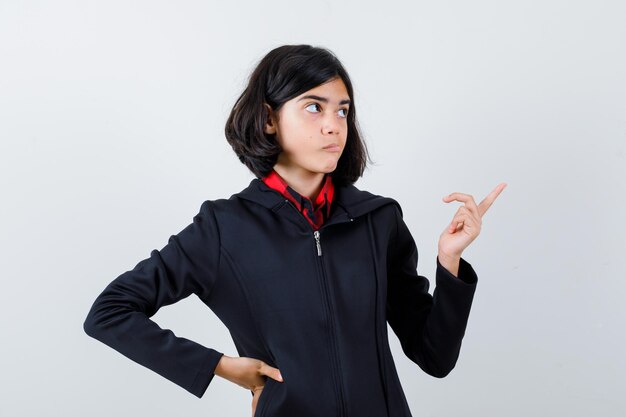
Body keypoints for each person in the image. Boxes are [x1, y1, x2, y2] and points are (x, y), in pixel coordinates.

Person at [83, 44, 506, 417]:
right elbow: (109, 312)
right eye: (313, 107)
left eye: (342, 109)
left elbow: (435, 356)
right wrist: (219, 366)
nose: (334, 124)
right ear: (269, 119)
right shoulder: (224, 228)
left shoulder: (378, 220)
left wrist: (450, 261)